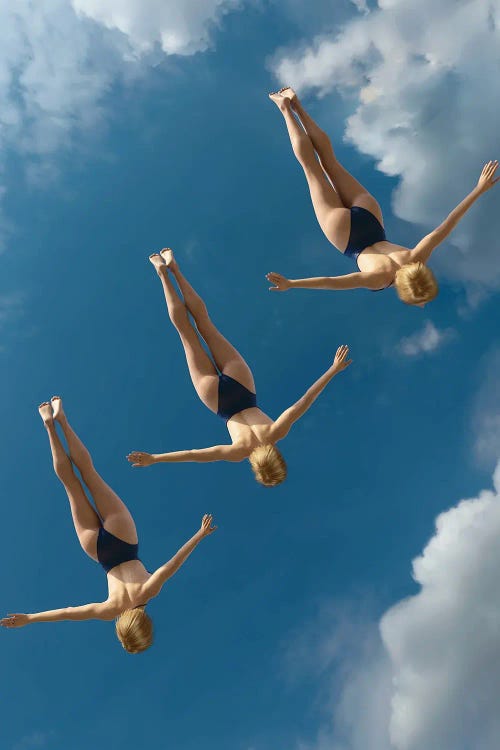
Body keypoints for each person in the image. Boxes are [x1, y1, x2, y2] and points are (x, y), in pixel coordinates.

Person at [0, 397, 216, 653]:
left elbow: (173, 564)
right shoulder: (109, 610)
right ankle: (49, 425)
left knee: (89, 474)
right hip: (98, 551)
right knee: (71, 486)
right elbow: (68, 613)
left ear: (145, 624)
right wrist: (29, 618)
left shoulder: (149, 591)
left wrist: (200, 534)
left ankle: (63, 421)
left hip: (124, 539)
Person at [127, 249, 352, 486]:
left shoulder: (277, 432)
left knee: (205, 325)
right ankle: (162, 274)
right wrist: (155, 459)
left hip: (242, 387)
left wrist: (333, 369)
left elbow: (304, 401)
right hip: (217, 401)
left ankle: (175, 270)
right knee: (186, 333)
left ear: (278, 458)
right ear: (257, 467)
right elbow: (196, 455)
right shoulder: (238, 453)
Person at [267, 87, 499, 306]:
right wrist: (292, 284)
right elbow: (333, 281)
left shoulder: (415, 257)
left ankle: (295, 102)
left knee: (330, 161)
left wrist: (478, 189)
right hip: (346, 236)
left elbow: (446, 225)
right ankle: (284, 108)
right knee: (312, 169)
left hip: (370, 217)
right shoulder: (379, 280)